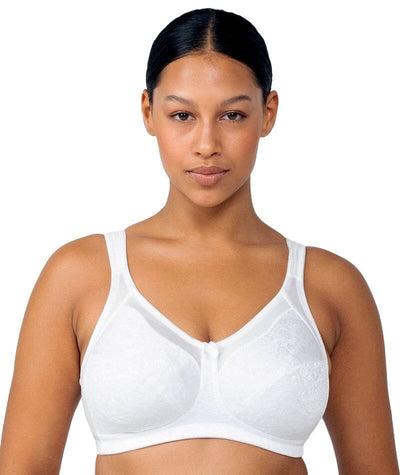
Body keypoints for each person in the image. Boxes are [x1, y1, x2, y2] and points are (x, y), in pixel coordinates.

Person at [0, 7, 398, 475]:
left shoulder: (331, 286)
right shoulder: (80, 275)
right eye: (182, 115)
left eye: (232, 115)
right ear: (148, 112)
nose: (206, 143)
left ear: (268, 113)